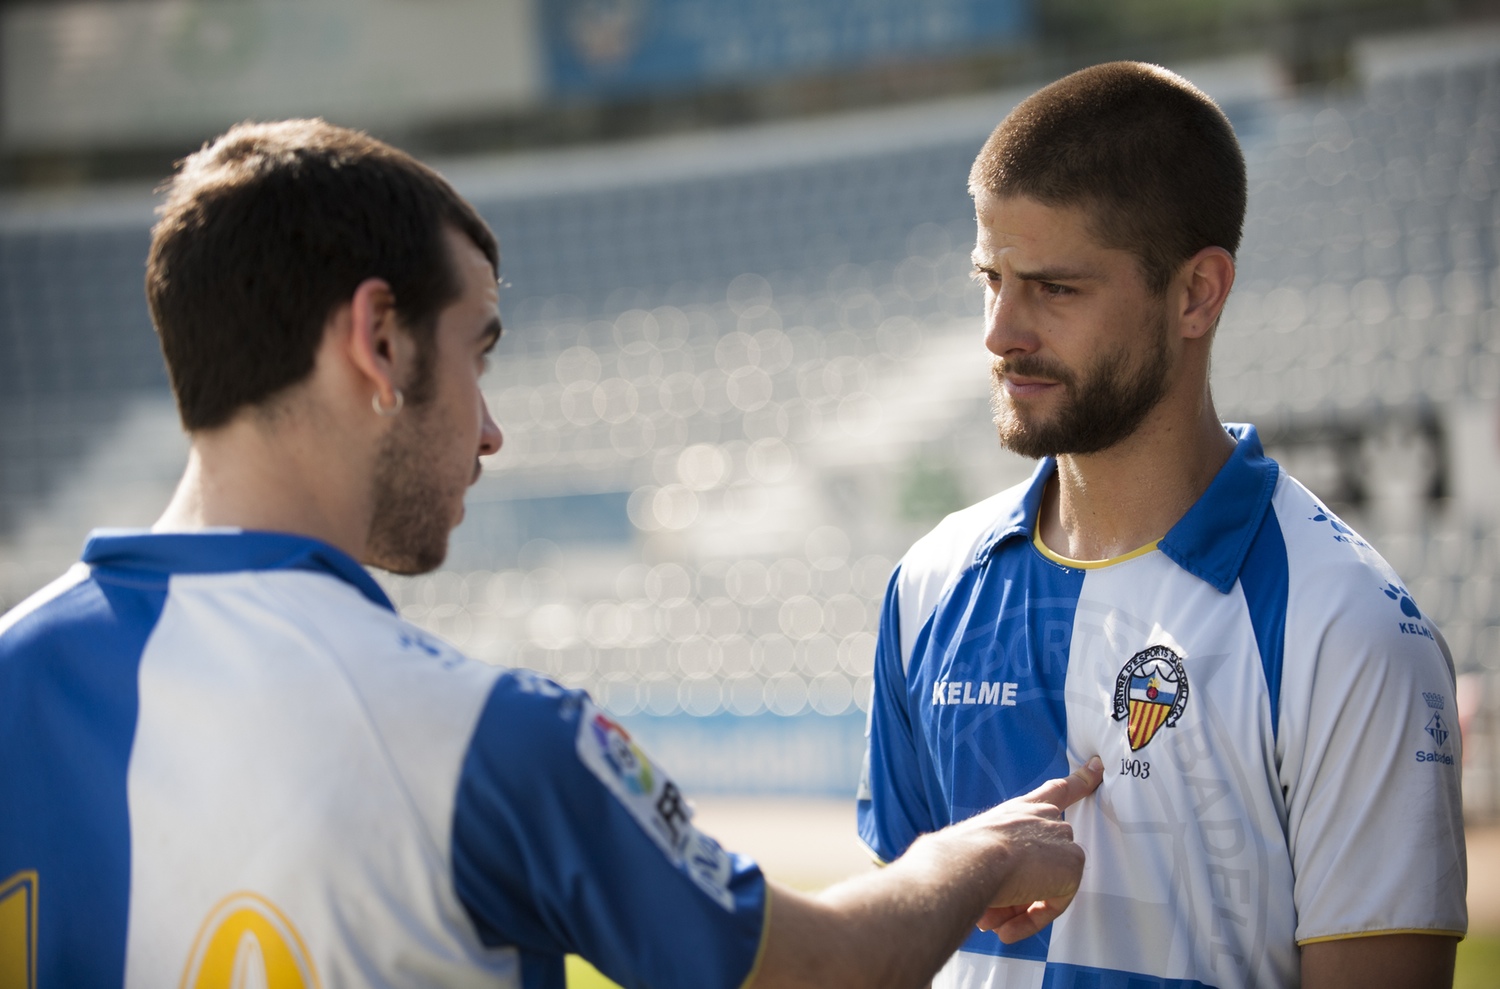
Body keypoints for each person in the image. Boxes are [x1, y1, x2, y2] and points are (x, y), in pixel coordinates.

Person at [0, 119, 1103, 989]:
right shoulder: (489, 738)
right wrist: (982, 851)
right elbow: (822, 973)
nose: (489, 429)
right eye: (475, 350)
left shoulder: (15, 680)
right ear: (377, 339)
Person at [857, 62, 1467, 989]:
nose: (999, 332)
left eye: (1054, 289)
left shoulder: (1348, 626)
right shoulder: (930, 583)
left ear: (1196, 295)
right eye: (992, 278)